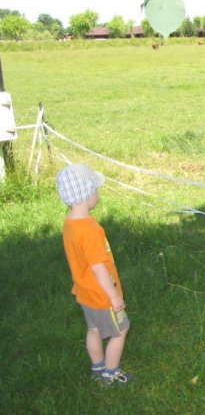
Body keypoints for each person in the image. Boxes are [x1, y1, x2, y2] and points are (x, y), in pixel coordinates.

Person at [55, 163, 131, 385]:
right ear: (88, 194)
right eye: (95, 189)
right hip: (101, 296)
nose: (97, 194)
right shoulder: (89, 229)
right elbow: (98, 268)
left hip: (84, 292)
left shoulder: (69, 223)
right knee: (121, 331)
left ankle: (97, 367)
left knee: (94, 329)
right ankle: (110, 373)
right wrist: (114, 297)